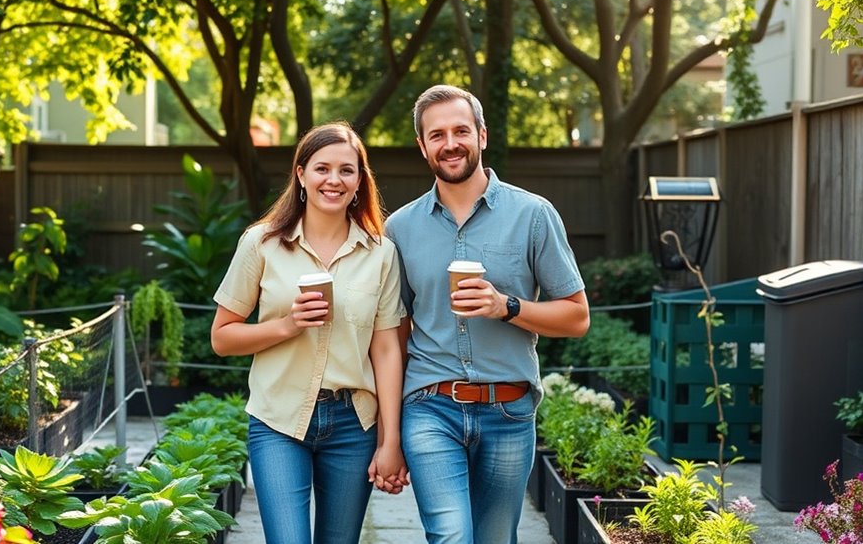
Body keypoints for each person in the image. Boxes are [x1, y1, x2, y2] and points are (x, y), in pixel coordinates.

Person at [386, 85, 590, 544]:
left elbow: (577, 317)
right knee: (452, 535)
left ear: (482, 135)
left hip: (508, 410)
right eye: (436, 135)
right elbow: (393, 336)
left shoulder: (533, 215)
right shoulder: (399, 228)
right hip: (429, 405)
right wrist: (389, 435)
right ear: (422, 146)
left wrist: (507, 306)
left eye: (461, 130)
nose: (450, 143)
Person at [210, 121, 408, 544]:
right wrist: (287, 325)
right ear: (300, 174)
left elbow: (388, 350)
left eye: (346, 170)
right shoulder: (262, 243)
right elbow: (222, 337)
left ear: (359, 181)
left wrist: (391, 441)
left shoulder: (381, 253)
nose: (333, 180)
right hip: (279, 419)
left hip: (354, 426)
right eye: (321, 168)